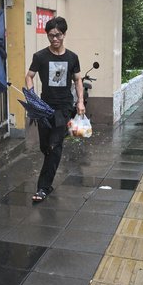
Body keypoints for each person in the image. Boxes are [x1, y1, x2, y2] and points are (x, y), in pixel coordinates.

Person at [25, 16, 84, 202]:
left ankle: (42, 188)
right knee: (45, 146)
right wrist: (31, 94)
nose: (54, 39)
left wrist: (80, 101)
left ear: (64, 34)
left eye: (58, 35)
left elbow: (77, 80)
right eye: (51, 36)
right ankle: (48, 179)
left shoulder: (72, 57)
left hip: (64, 107)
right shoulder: (40, 56)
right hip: (44, 107)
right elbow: (29, 76)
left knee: (55, 144)